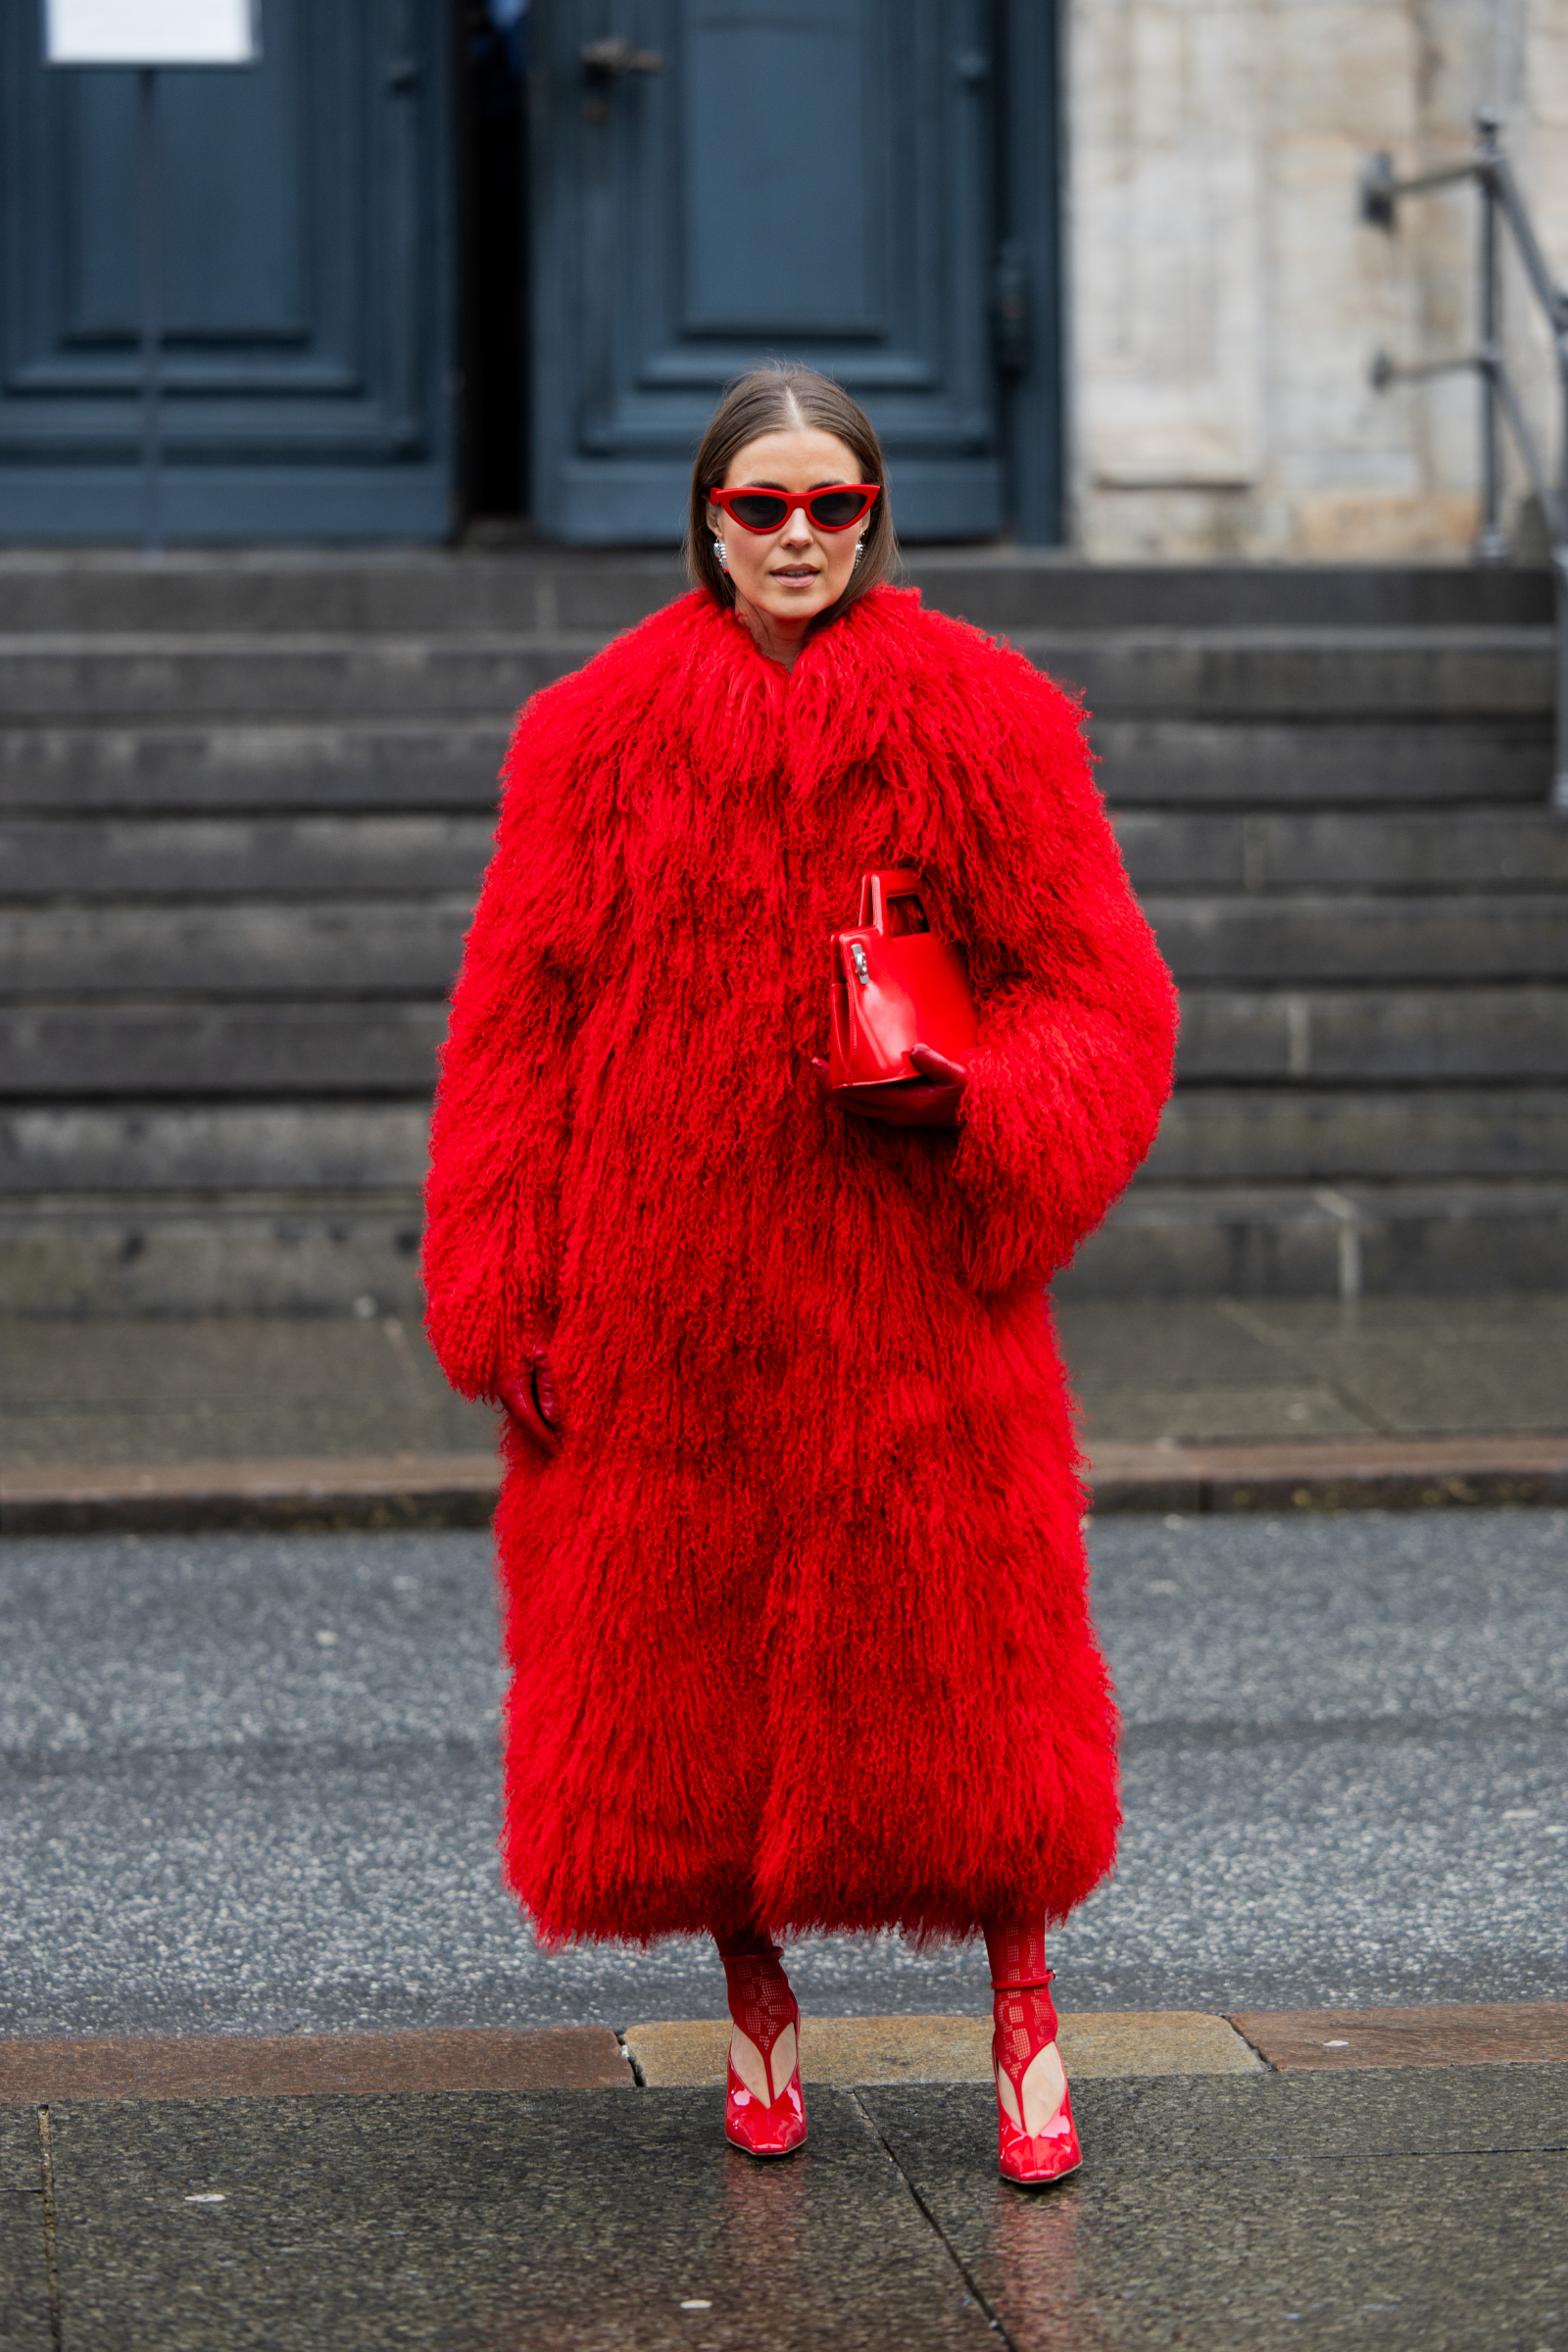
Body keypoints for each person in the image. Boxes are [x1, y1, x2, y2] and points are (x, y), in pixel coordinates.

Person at [422, 367, 1177, 2183]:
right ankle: (750, 1997)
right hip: (660, 1289)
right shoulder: (591, 733)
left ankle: (1023, 1999)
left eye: (830, 505)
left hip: (906, 1283)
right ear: (705, 518)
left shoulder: (983, 718)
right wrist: (503, 1280)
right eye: (762, 506)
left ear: (874, 512)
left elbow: (1105, 991)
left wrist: (979, 1100)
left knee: (963, 1659)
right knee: (679, 1683)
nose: (796, 539)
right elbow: (519, 1028)